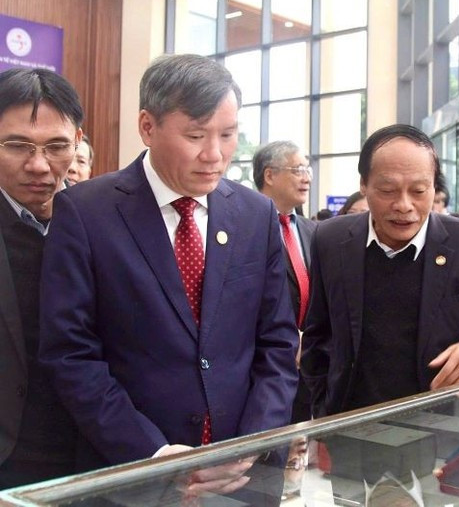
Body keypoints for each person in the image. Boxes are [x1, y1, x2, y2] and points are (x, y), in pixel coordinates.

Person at [38, 55, 299, 489]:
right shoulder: (87, 214)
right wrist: (152, 454)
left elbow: (277, 341)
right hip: (132, 476)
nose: (214, 155)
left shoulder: (255, 215)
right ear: (147, 127)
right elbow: (70, 354)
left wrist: (250, 443)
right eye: (195, 135)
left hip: (243, 475)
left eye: (229, 135)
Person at [301, 124, 459, 418]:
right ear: (364, 185)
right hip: (352, 424)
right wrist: (323, 406)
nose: (404, 205)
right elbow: (317, 333)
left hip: (444, 425)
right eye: (387, 190)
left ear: (434, 188)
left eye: (418, 190)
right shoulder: (330, 239)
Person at [0, 68, 83, 488]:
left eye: (56, 146)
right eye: (17, 145)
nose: (38, 165)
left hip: (90, 458)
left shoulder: (103, 226)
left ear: (78, 143)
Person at [253, 140, 316, 423]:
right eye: (298, 169)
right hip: (261, 367)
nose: (307, 178)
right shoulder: (244, 226)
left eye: (308, 170)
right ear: (269, 175)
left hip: (307, 365)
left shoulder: (312, 231)